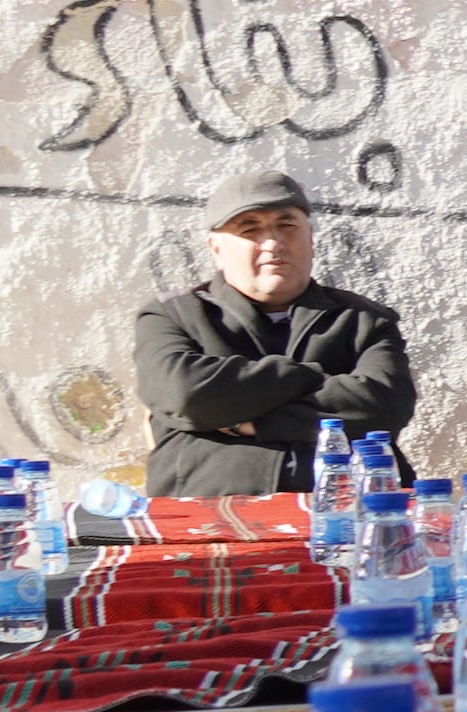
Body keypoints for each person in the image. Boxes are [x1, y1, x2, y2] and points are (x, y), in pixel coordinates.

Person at [132, 167, 419, 495]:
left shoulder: (362, 319)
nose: (272, 243)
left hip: (350, 509)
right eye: (249, 229)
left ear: (310, 238)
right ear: (216, 248)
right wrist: (306, 376)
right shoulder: (173, 315)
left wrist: (245, 422)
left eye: (286, 225)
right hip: (209, 507)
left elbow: (383, 408)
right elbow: (184, 393)